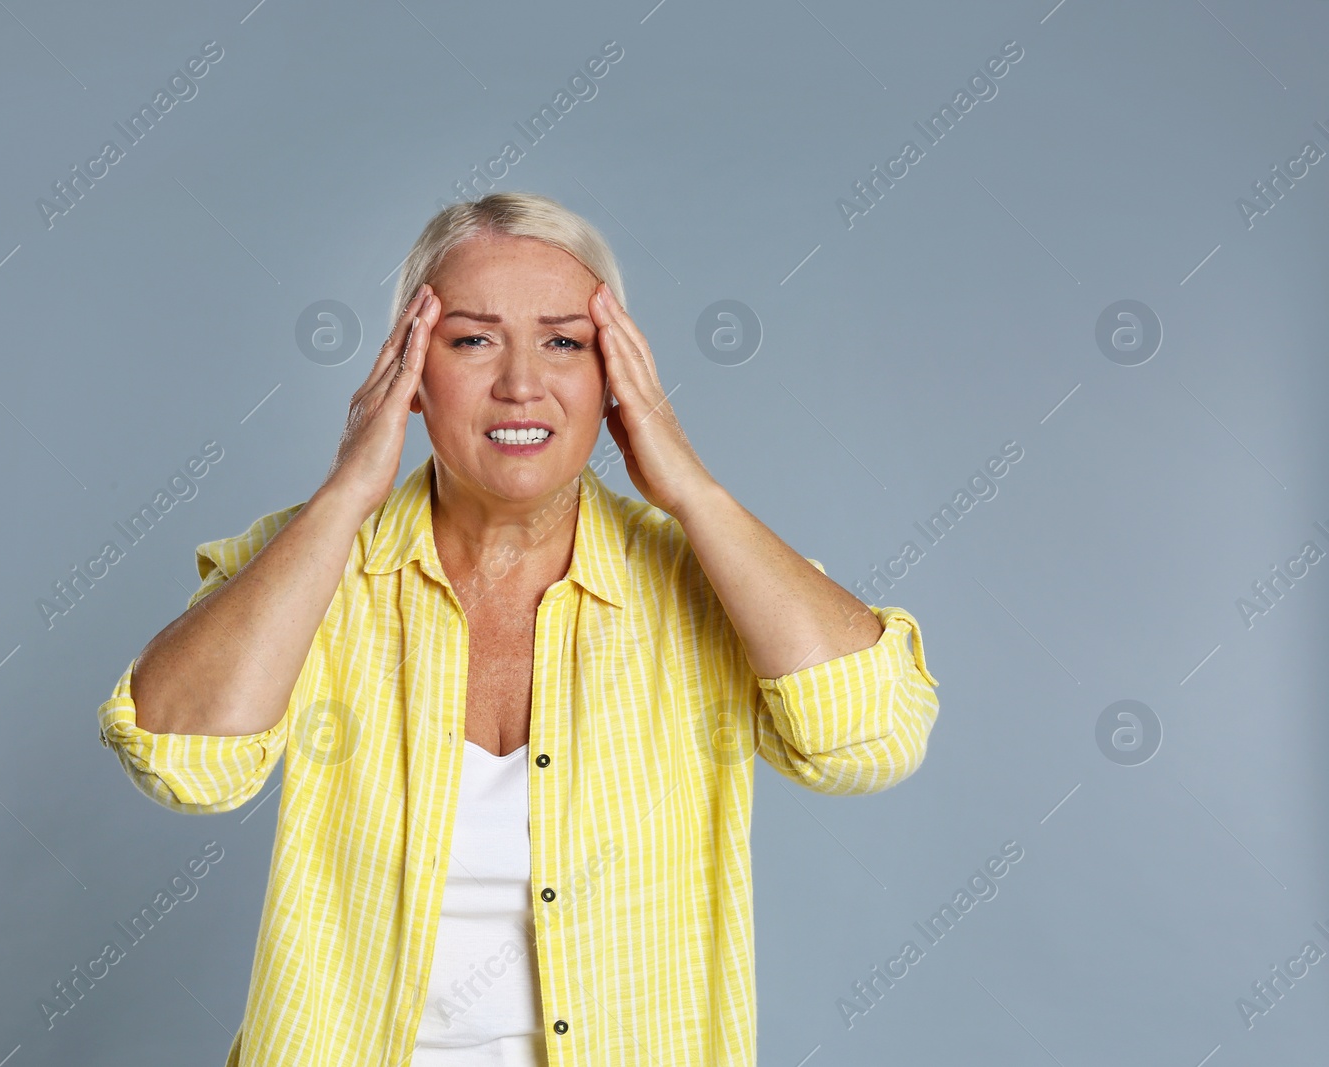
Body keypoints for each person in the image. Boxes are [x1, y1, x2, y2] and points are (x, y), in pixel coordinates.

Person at [97, 191, 940, 1066]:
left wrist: (694, 490)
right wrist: (347, 492)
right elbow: (181, 762)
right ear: (410, 373)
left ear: (615, 373)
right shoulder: (311, 565)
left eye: (565, 341)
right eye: (472, 339)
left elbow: (869, 740)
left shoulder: (702, 576)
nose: (522, 382)